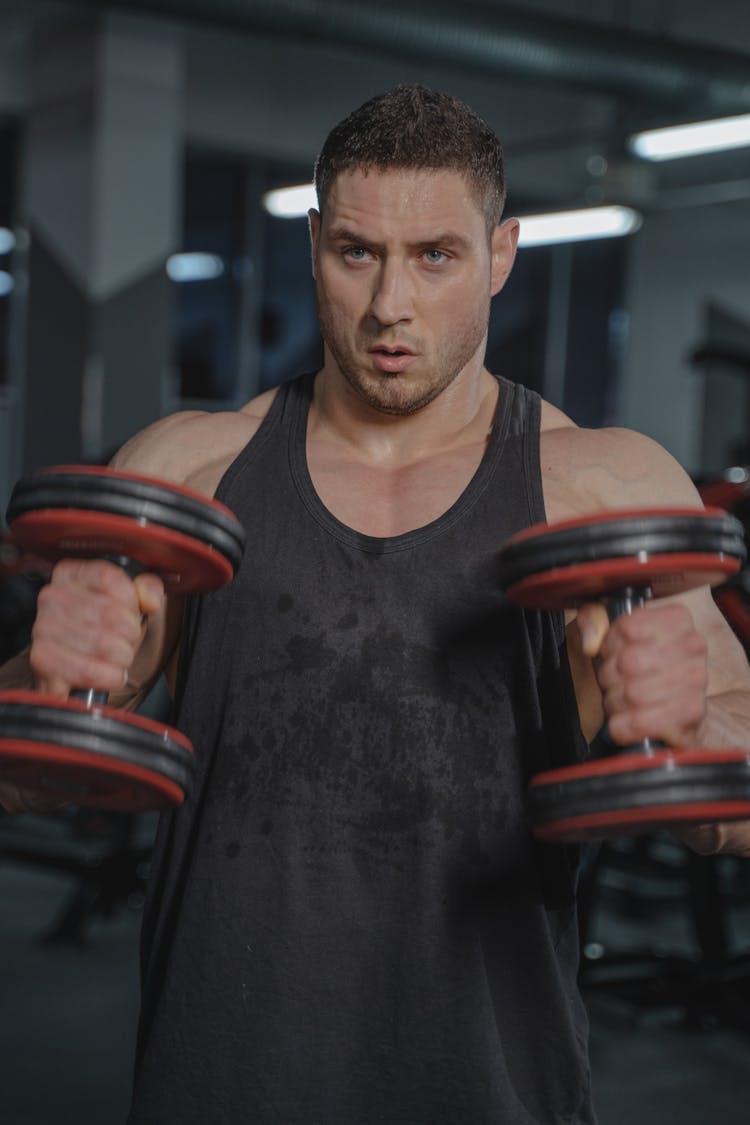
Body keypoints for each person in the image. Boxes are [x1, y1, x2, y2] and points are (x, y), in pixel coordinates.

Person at [2, 84, 750, 1124]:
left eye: (437, 256)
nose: (391, 304)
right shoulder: (189, 471)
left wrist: (692, 730)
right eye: (357, 253)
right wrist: (40, 687)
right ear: (313, 245)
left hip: (491, 1089)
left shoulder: (608, 488)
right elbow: (35, 776)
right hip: (214, 1082)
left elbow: (737, 783)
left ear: (501, 255)